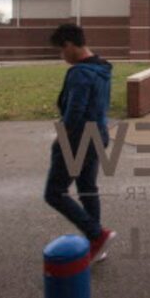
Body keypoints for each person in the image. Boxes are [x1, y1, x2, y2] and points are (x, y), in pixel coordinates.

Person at [44, 24, 116, 262]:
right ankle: (97, 246)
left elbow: (74, 112)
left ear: (70, 45)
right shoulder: (102, 68)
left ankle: (96, 234)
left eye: (61, 50)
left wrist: (60, 139)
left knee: (54, 193)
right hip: (98, 134)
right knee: (87, 189)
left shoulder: (80, 73)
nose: (61, 56)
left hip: (77, 139)